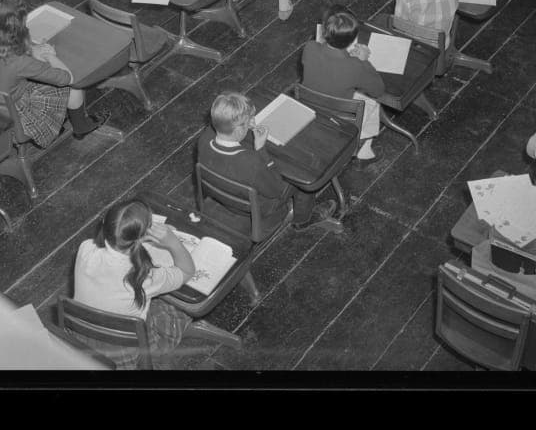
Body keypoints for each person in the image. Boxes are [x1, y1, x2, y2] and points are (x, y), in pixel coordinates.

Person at [0, 0, 107, 145]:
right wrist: (50, 56)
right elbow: (68, 77)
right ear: (18, 26)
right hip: (17, 117)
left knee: (38, 77)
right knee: (74, 87)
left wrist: (31, 50)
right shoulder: (20, 62)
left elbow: (3, 57)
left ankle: (63, 120)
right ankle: (80, 126)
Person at [72, 197, 194, 368]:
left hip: (82, 336)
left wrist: (138, 239)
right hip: (125, 350)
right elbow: (187, 271)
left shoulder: (85, 249)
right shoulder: (144, 277)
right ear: (142, 236)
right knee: (180, 308)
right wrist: (173, 243)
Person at [197, 91, 341, 234]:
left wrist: (244, 125)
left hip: (223, 195)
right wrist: (261, 150)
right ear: (238, 129)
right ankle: (302, 220)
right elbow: (277, 190)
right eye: (248, 122)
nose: (251, 122)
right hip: (257, 207)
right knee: (304, 178)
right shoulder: (251, 162)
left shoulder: (204, 139)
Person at [301, 4, 386, 164]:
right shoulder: (355, 66)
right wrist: (364, 61)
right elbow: (378, 90)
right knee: (373, 104)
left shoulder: (309, 48)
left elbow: (323, 58)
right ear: (353, 40)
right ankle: (362, 151)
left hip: (309, 104)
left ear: (324, 32)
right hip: (338, 114)